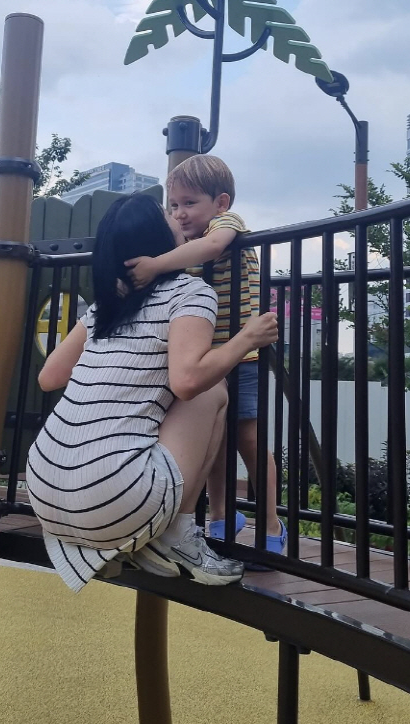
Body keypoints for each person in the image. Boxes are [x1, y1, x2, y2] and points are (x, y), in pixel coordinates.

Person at [25, 193, 278, 592]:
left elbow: (50, 376)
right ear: (158, 236)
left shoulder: (105, 307)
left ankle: (120, 541)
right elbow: (187, 382)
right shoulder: (188, 293)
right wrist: (247, 337)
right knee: (212, 392)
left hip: (43, 489)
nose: (178, 218)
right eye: (168, 214)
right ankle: (178, 535)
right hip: (112, 496)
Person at [125, 155, 286, 554]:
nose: (179, 213)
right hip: (204, 358)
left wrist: (153, 265)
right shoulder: (185, 245)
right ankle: (220, 518)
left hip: (242, 356)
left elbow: (212, 248)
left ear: (220, 202)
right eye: (174, 204)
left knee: (248, 437)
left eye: (189, 203)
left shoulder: (224, 226)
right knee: (214, 433)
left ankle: (270, 525)